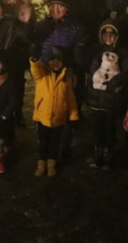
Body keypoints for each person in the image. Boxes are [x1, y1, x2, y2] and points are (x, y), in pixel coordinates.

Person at [86, 19, 128, 168]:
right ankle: (97, 151)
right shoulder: (97, 53)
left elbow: (127, 72)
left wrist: (113, 83)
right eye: (105, 35)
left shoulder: (122, 53)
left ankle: (109, 152)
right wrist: (93, 86)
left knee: (109, 127)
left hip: (111, 99)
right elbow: (92, 71)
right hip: (96, 98)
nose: (108, 39)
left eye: (112, 36)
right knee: (97, 127)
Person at [30, 47, 79, 177]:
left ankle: (51, 164)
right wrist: (34, 60)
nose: (55, 63)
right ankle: (41, 164)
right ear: (47, 62)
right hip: (43, 118)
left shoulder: (66, 79)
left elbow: (70, 98)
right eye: (52, 61)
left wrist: (73, 115)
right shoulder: (42, 76)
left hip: (59, 118)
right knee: (43, 142)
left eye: (58, 60)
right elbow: (35, 69)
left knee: (55, 143)